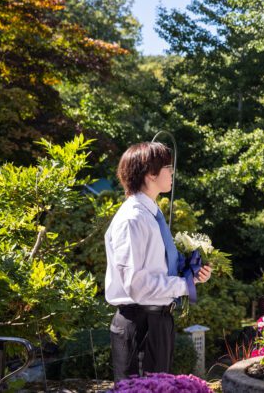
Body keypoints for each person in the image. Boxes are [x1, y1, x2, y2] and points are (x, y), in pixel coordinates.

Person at [104, 142, 212, 381]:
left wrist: (191, 273)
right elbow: (137, 284)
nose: (172, 172)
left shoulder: (151, 214)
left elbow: (156, 268)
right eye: (168, 167)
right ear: (150, 173)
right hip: (140, 324)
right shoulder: (133, 219)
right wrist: (185, 285)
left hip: (157, 321)